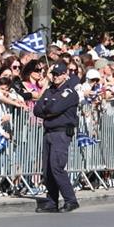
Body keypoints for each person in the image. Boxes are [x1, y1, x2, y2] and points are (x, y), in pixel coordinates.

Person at [32, 62, 80, 213]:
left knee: (56, 166)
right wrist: (48, 108)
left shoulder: (69, 92)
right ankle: (51, 201)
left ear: (65, 75)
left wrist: (48, 108)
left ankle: (70, 200)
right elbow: (37, 109)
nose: (56, 77)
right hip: (49, 132)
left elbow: (54, 108)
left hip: (61, 132)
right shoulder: (49, 91)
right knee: (47, 170)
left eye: (59, 74)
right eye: (54, 74)